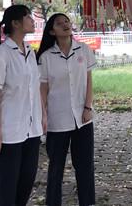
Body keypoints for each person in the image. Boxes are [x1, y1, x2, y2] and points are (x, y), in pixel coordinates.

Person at [0, 4, 45, 206]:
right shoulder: (0, 55)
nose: (32, 20)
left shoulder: (29, 52)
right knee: (8, 188)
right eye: (28, 17)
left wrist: (42, 116)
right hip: (9, 133)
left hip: (32, 131)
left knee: (26, 183)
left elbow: (35, 90)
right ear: (16, 23)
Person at [38, 13, 97, 206]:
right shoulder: (46, 58)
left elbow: (88, 82)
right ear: (52, 31)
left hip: (82, 118)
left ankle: (87, 202)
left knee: (85, 167)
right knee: (56, 168)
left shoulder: (84, 50)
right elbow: (43, 89)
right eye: (59, 23)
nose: (65, 25)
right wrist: (44, 115)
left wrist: (88, 107)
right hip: (57, 120)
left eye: (67, 22)